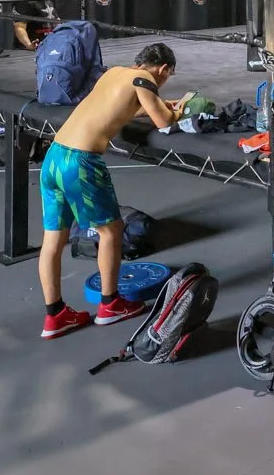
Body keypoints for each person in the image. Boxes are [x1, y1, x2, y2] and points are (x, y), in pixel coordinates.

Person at [36, 42, 192, 338]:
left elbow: (116, 109)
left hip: (54, 156)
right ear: (163, 69)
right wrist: (179, 110)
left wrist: (157, 103)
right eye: (165, 77)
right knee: (111, 231)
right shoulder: (144, 80)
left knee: (53, 239)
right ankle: (110, 306)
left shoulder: (115, 74)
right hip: (80, 162)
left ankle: (55, 316)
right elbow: (163, 122)